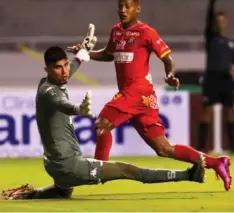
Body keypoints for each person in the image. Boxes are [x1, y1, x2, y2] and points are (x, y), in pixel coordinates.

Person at [68, 0, 232, 191]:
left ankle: (96, 172)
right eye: (120, 6)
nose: (122, 10)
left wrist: (170, 74)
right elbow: (108, 54)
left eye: (127, 6)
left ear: (138, 8)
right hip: (141, 99)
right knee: (164, 149)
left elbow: (167, 58)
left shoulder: (146, 32)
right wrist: (86, 53)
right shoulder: (116, 31)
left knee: (102, 124)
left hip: (137, 91)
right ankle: (217, 163)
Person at [0, 45, 206, 200]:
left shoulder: (46, 82)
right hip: (69, 165)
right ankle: (189, 175)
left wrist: (82, 54)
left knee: (64, 192)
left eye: (65, 66)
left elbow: (70, 70)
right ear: (47, 69)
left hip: (55, 165)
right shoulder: (49, 92)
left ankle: (31, 194)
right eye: (57, 68)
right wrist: (78, 109)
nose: (64, 72)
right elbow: (62, 103)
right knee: (129, 171)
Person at [198, 0, 234, 153]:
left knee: (229, 111)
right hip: (212, 79)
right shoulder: (211, 38)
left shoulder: (233, 42)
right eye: (218, 21)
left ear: (226, 23)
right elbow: (208, 18)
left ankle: (233, 147)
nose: (220, 23)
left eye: (222, 21)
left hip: (226, 80)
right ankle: (201, 147)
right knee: (206, 112)